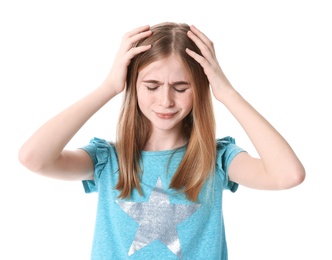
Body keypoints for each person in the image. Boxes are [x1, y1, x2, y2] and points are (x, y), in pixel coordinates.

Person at [18, 22, 305, 259]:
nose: (166, 100)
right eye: (152, 86)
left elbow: (287, 175)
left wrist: (226, 92)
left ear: (200, 89)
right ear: (133, 86)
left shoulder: (216, 159)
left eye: (181, 87)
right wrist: (109, 87)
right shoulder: (107, 160)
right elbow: (34, 157)